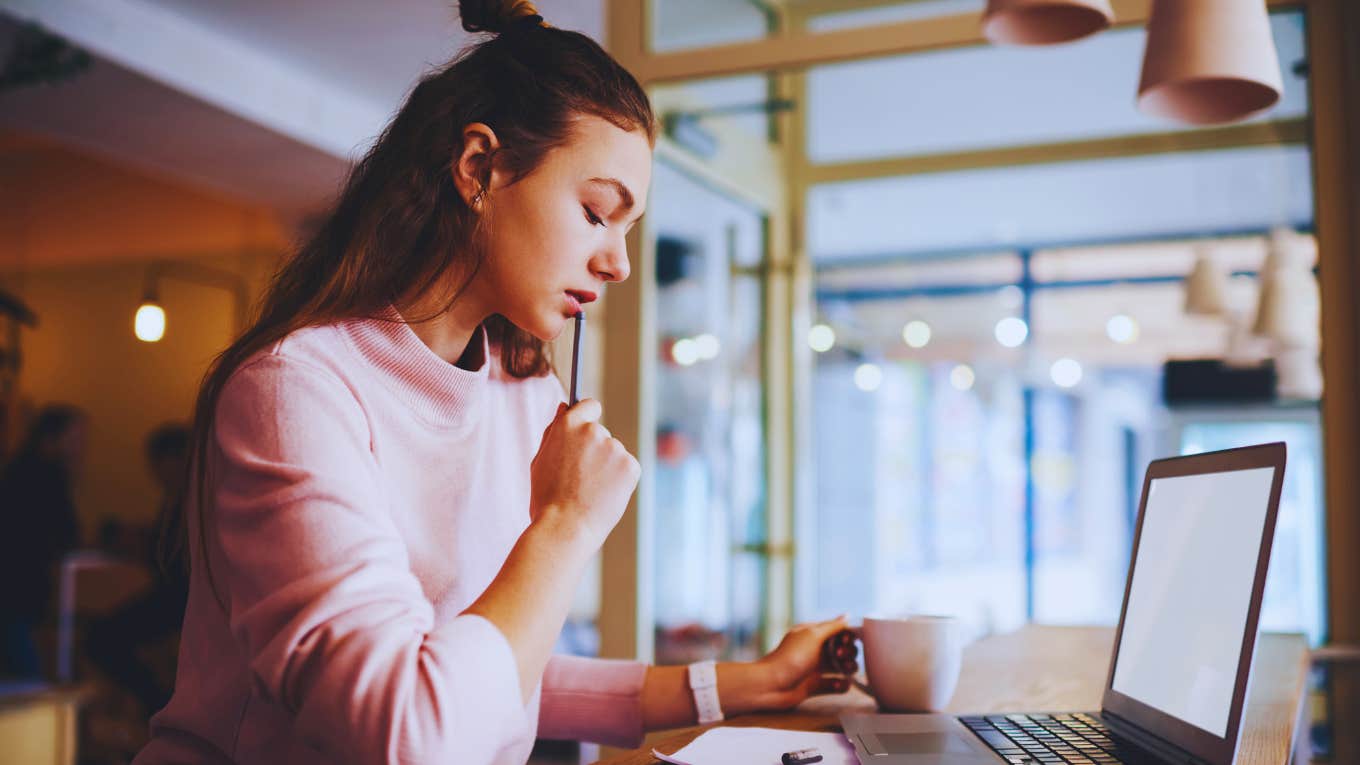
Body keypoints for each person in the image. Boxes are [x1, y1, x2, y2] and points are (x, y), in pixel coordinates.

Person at [135, 3, 852, 763]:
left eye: (628, 229)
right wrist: (565, 525)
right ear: (479, 168)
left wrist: (754, 682)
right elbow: (404, 733)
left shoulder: (521, 393)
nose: (620, 263)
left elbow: (506, 670)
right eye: (596, 212)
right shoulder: (297, 392)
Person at [86, 424, 191, 718]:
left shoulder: (186, 499)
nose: (153, 472)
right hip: (177, 599)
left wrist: (138, 545)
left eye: (157, 463)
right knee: (102, 637)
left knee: (100, 639)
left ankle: (158, 703)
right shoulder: (180, 498)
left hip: (179, 600)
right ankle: (158, 702)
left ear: (175, 460)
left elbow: (172, 562)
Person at [0, 404, 87, 679]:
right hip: (17, 587)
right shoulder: (43, 476)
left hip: (17, 588)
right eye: (74, 440)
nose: (81, 448)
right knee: (27, 675)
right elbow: (65, 533)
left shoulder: (24, 470)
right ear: (50, 439)